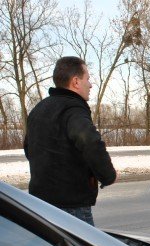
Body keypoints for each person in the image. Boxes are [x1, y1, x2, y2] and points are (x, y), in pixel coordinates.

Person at [24, 56, 117, 226]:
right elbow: (90, 142)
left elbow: (29, 149)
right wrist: (107, 175)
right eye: (87, 79)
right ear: (75, 81)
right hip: (72, 207)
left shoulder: (39, 109)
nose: (90, 85)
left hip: (39, 203)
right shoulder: (73, 110)